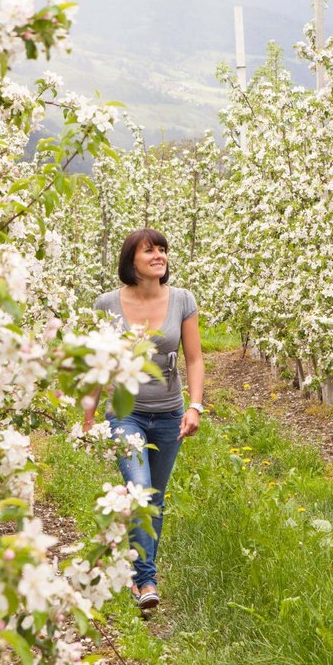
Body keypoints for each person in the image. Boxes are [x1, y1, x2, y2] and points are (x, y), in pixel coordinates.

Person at [83, 228, 204, 609]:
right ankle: (145, 581)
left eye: (162, 250)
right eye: (149, 250)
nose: (159, 256)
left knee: (154, 498)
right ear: (130, 260)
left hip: (169, 413)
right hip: (125, 414)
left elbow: (194, 358)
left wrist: (195, 406)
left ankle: (139, 575)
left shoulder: (182, 300)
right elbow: (98, 362)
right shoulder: (106, 304)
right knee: (139, 490)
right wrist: (89, 416)